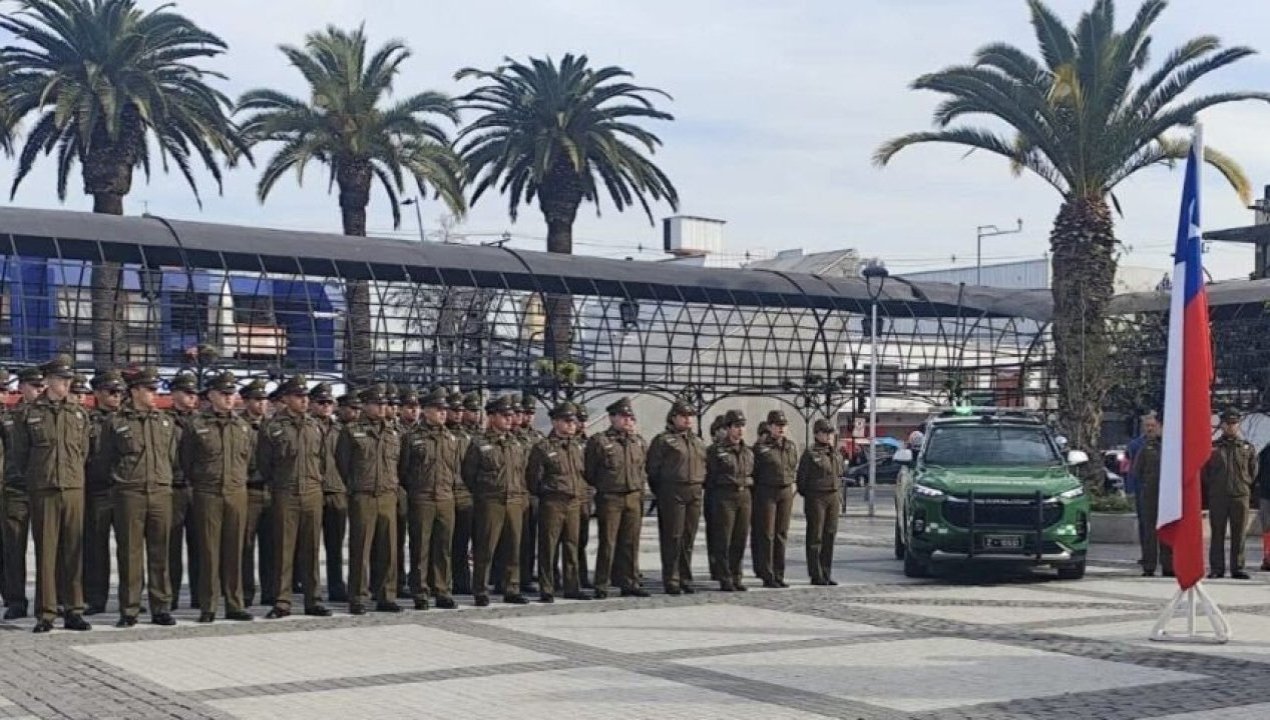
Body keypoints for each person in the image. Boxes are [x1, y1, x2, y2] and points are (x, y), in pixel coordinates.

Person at [13, 355, 92, 633]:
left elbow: (83, 452)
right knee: (46, 552)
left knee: (73, 551)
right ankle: (46, 613)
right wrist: (37, 477)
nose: (66, 384)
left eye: (69, 379)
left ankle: (74, 610)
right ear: (48, 381)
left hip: (72, 487)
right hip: (44, 488)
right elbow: (20, 454)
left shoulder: (79, 413)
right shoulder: (30, 413)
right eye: (61, 379)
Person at [105, 367, 179, 628]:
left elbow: (172, 456)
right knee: (130, 553)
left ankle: (161, 607)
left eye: (155, 389)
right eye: (149, 389)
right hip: (130, 492)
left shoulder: (165, 421)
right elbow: (106, 458)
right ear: (135, 391)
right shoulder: (116, 422)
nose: (153, 394)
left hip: (160, 491)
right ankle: (130, 608)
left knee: (161, 552)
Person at [183, 372, 255, 623]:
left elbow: (250, 460)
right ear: (211, 395)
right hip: (208, 493)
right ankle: (209, 605)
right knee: (209, 551)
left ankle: (235, 604)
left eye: (231, 394)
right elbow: (186, 460)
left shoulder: (243, 426)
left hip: (236, 492)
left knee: (235, 551)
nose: (228, 398)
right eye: (223, 394)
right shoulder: (196, 424)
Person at [257, 375, 329, 618]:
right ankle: (282, 601)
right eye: (299, 396)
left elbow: (323, 460)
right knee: (284, 549)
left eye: (306, 396)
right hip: (285, 492)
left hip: (312, 492)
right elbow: (264, 463)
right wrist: (279, 484)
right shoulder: (272, 427)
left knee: (311, 548)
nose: (304, 401)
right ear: (286, 398)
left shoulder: (315, 426)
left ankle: (313, 600)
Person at [337, 386, 403, 615]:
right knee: (360, 549)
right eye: (378, 404)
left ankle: (386, 595)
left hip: (387, 495)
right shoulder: (352, 431)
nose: (383, 408)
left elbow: (400, 464)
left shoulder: (393, 432)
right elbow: (343, 464)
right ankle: (358, 596)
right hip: (363, 496)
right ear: (365, 405)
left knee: (388, 549)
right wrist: (356, 486)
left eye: (385, 404)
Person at [463, 395, 529, 606]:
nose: (510, 419)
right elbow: (469, 474)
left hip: (514, 500)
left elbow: (522, 472)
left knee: (513, 547)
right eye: (504, 415)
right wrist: (485, 493)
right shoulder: (479, 443)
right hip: (491, 501)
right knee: (485, 547)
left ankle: (511, 588)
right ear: (491, 417)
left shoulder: (516, 443)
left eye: (511, 415)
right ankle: (481, 590)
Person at [399, 388, 460, 610]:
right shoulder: (412, 437)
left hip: (445, 498)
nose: (443, 413)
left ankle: (442, 590)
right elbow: (403, 470)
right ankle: (421, 592)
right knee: (420, 548)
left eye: (445, 409)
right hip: (422, 497)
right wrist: (416, 490)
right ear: (426, 411)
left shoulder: (451, 438)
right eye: (438, 409)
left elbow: (456, 469)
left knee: (443, 548)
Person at [584, 397, 649, 599]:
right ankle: (602, 583)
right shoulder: (600, 441)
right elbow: (590, 471)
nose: (628, 421)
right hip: (610, 497)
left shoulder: (638, 441)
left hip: (633, 496)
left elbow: (643, 468)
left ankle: (629, 581)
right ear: (612, 418)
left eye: (631, 417)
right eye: (623, 417)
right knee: (608, 541)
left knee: (631, 542)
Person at [526, 402, 587, 603]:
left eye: (573, 422)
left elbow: (584, 473)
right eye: (567, 421)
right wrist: (547, 492)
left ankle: (572, 587)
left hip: (574, 502)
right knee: (548, 546)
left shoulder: (577, 446)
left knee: (572, 546)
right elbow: (533, 478)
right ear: (555, 422)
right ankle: (547, 587)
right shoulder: (543, 447)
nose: (571, 425)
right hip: (553, 501)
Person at [645, 401, 705, 595]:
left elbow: (705, 465)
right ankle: (672, 578)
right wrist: (662, 491)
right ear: (673, 417)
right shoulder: (663, 440)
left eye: (690, 416)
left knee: (688, 537)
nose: (688, 419)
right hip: (672, 491)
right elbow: (653, 469)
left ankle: (685, 577)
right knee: (673, 536)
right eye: (683, 416)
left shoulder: (697, 441)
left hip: (694, 490)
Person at [2, 366, 44, 620]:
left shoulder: (51, 415)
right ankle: (15, 599)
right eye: (34, 386)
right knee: (14, 548)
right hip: (16, 489)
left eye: (41, 386)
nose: (39, 390)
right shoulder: (10, 417)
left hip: (44, 489)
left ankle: (50, 599)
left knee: (49, 548)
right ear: (22, 388)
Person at [83, 369, 125, 615]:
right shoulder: (87, 420)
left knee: (128, 547)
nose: (116, 396)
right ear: (97, 393)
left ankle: (130, 597)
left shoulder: (128, 419)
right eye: (111, 391)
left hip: (125, 489)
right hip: (98, 489)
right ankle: (95, 598)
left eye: (119, 392)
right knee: (95, 547)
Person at [1203, 409, 1259, 580]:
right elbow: (1205, 472)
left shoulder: (1247, 447)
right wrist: (1214, 487)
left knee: (1239, 534)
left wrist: (1244, 483)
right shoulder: (1212, 447)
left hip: (1240, 496)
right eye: (1227, 423)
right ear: (1222, 425)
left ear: (1238, 425)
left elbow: (1253, 471)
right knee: (1217, 533)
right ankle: (1217, 568)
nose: (1231, 426)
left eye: (1234, 423)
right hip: (1218, 496)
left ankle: (1238, 568)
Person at [706, 410, 753, 591]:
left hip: (744, 495)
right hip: (724, 496)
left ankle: (736, 575)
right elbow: (710, 476)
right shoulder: (716, 451)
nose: (740, 430)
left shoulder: (748, 451)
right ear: (728, 428)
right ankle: (724, 577)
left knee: (740, 538)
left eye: (742, 426)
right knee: (723, 539)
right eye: (736, 426)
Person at [751, 410, 798, 589]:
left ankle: (779, 573)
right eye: (777, 425)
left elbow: (792, 466)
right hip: (766, 491)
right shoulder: (760, 447)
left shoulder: (790, 446)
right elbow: (754, 471)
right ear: (770, 426)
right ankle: (767, 573)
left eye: (783, 425)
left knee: (781, 533)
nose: (781, 428)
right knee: (767, 534)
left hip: (785, 490)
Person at [167, 372, 201, 610]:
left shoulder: (202, 421)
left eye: (194, 394)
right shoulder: (164, 420)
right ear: (175, 394)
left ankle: (200, 595)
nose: (192, 397)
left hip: (198, 488)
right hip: (173, 488)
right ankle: (170, 596)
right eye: (187, 393)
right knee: (171, 547)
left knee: (200, 546)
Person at [239, 379, 275, 606]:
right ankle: (245, 591)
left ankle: (270, 591)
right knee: (246, 545)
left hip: (271, 490)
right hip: (248, 489)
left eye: (264, 400)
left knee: (271, 545)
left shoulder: (273, 425)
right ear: (246, 401)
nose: (262, 404)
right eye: (257, 400)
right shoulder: (238, 425)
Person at [311, 383, 348, 603]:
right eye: (321, 402)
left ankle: (336, 586)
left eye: (329, 403)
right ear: (312, 404)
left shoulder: (340, 430)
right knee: (310, 545)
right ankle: (312, 588)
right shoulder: (308, 427)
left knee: (335, 545)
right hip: (314, 490)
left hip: (336, 490)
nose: (326, 406)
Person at [797, 419, 844, 585]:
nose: (829, 436)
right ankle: (816, 574)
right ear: (817, 434)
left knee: (829, 534)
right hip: (816, 496)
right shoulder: (810, 454)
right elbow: (802, 479)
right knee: (815, 536)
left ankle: (826, 572)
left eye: (830, 433)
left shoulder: (835, 453)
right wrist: (811, 495)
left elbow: (839, 474)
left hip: (833, 495)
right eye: (825, 432)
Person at [1133, 415, 1171, 577]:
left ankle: (1168, 566)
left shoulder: (1170, 446)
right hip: (1150, 494)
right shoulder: (1144, 447)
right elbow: (1137, 471)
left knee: (1168, 528)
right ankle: (1149, 565)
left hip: (1167, 494)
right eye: (1147, 426)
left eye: (1153, 426)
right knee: (1149, 531)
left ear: (1160, 427)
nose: (1150, 429)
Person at [448, 392, 476, 595]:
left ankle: (461, 581)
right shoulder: (438, 434)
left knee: (461, 541)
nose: (458, 414)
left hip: (464, 494)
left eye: (460, 410)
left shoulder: (469, 436)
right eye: (454, 410)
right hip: (443, 492)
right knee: (440, 543)